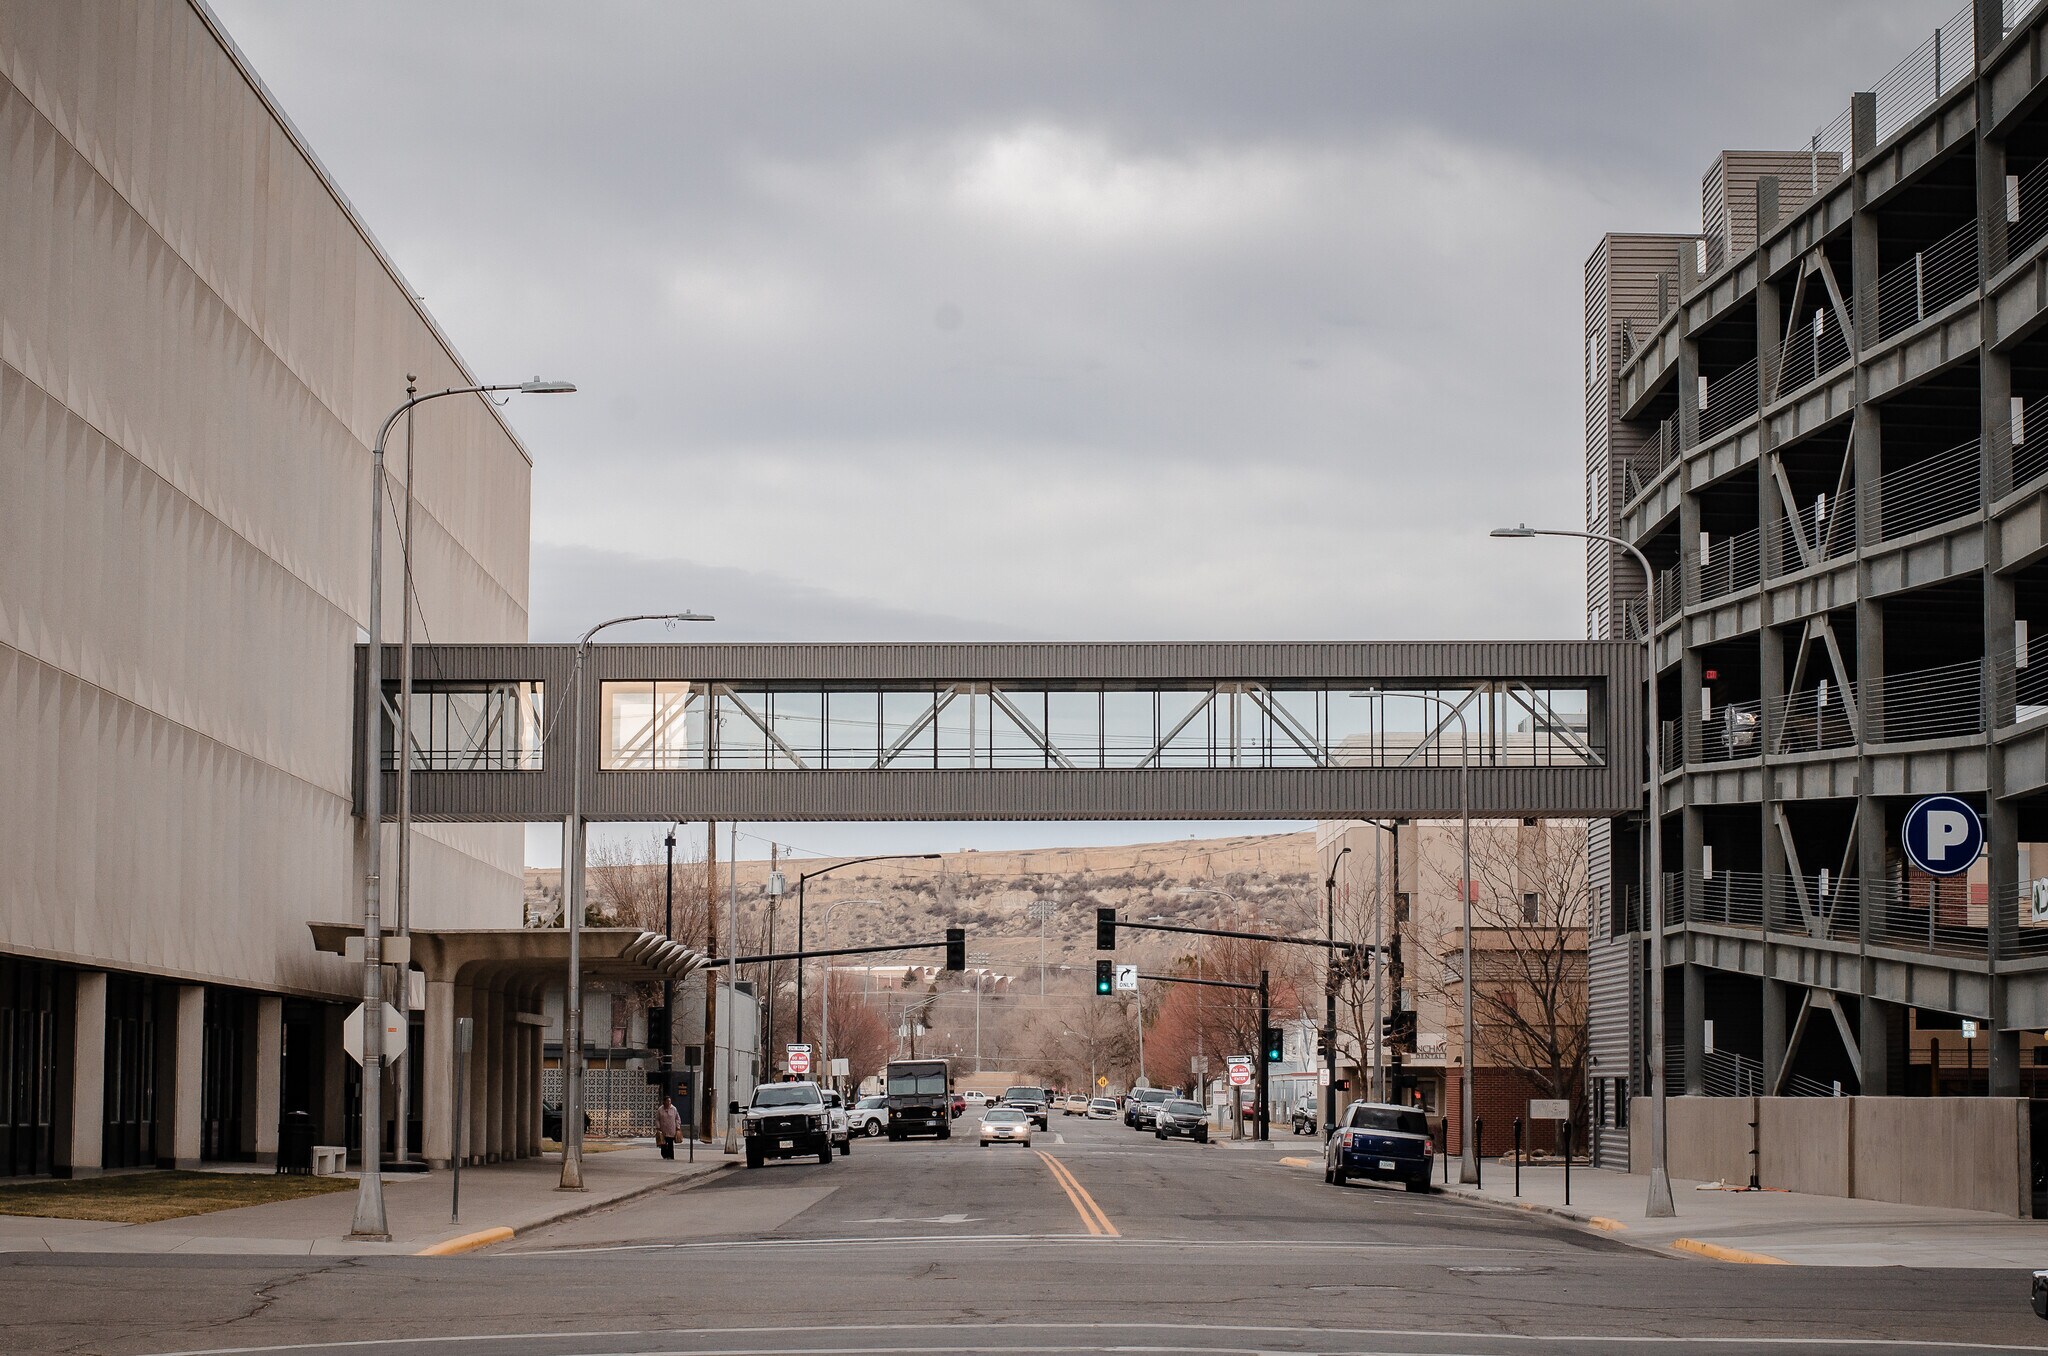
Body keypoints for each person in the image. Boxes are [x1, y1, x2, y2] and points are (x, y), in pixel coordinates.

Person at [655, 1094, 683, 1160]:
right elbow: (657, 1119)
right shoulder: (660, 1109)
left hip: (671, 1129)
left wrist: (678, 1126)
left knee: (670, 1143)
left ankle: (670, 1156)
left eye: (670, 1101)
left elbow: (677, 1118)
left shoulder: (674, 1109)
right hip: (663, 1129)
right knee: (663, 1143)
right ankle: (664, 1155)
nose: (669, 1103)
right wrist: (658, 1127)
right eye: (667, 1101)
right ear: (664, 1102)